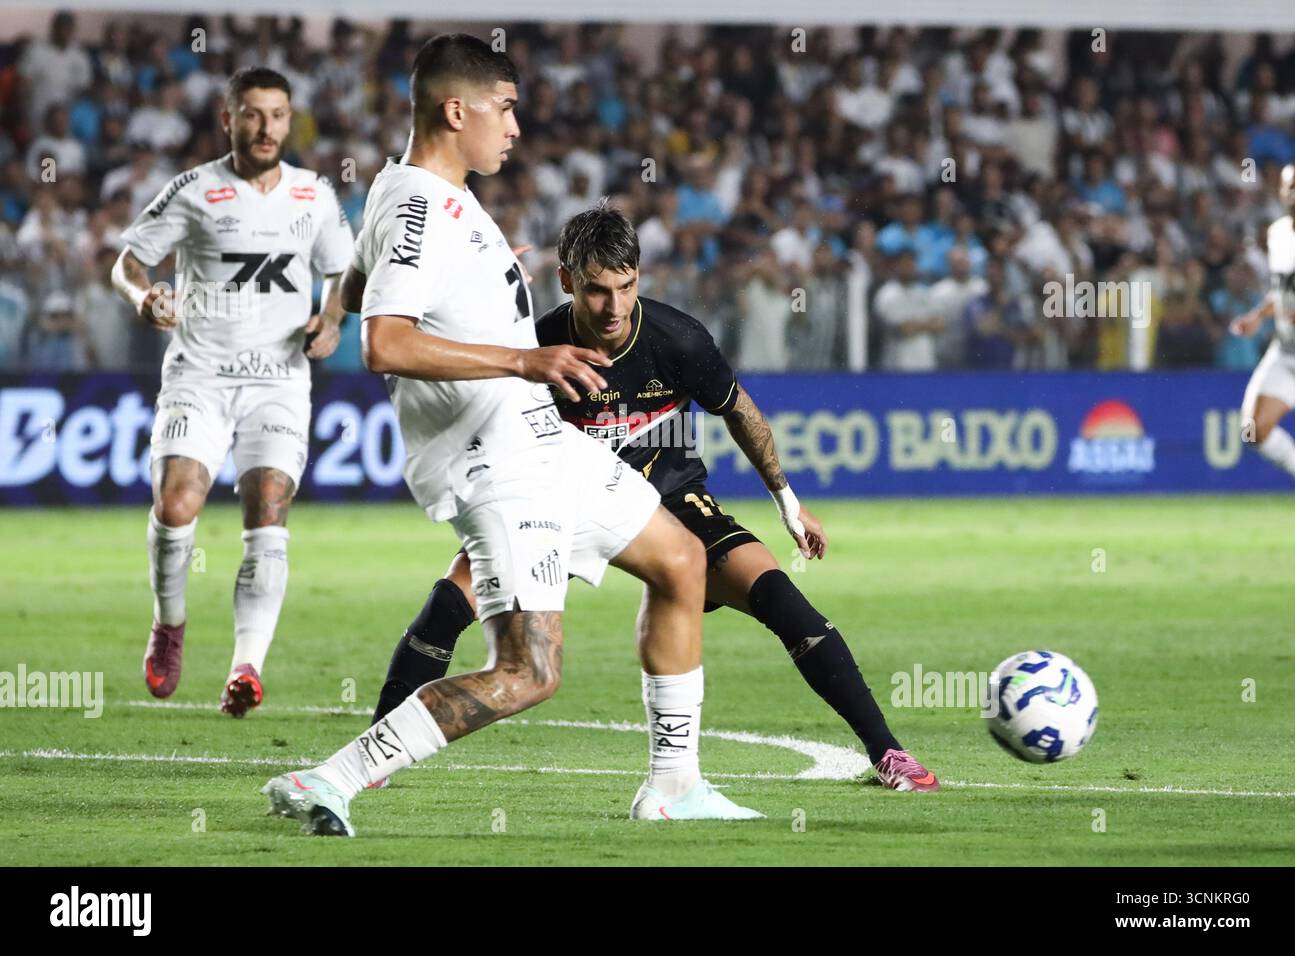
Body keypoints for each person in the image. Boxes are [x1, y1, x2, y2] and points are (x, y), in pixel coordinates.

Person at [262, 35, 760, 836]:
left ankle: (675, 786)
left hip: (543, 448)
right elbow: (384, 341)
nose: (516, 127)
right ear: (457, 110)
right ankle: (330, 778)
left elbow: (359, 280)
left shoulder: (409, 192)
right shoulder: (423, 202)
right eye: (505, 107)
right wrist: (522, 356)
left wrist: (435, 294)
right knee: (529, 672)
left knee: (680, 559)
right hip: (497, 464)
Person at [367, 203, 939, 793]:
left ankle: (888, 753)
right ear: (565, 282)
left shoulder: (678, 340)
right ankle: (371, 758)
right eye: (596, 291)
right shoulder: (536, 349)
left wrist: (786, 499)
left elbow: (739, 410)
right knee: (447, 608)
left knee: (785, 603)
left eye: (626, 286)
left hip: (670, 503)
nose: (614, 308)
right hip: (556, 505)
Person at [111, 67, 354, 716]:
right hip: (201, 373)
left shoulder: (314, 196)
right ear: (229, 120)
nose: (265, 126)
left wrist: (331, 322)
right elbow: (128, 262)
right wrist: (145, 296)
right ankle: (169, 622)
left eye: (277, 114)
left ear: (289, 119)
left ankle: (247, 667)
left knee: (268, 505)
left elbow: (342, 274)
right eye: (251, 114)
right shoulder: (193, 190)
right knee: (177, 501)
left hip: (279, 380)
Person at [1230, 163, 1295, 479]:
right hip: (1287, 351)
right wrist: (1257, 316)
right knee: (1252, 430)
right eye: (1291, 187)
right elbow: (1280, 291)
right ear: (1281, 192)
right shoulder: (1278, 234)